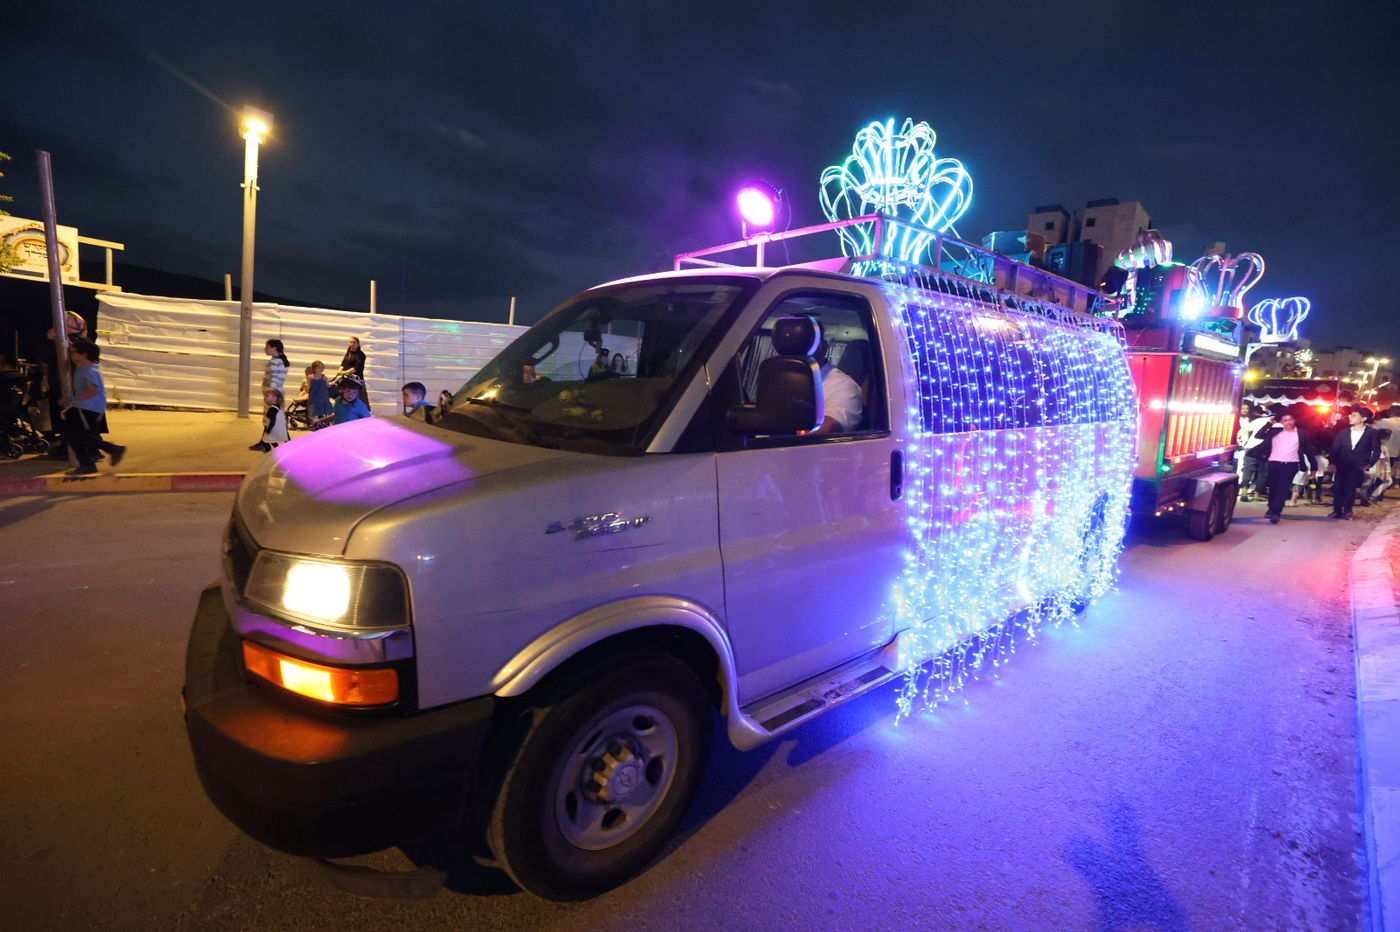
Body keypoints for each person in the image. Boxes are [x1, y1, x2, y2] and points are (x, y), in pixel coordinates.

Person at [57, 338, 125, 475]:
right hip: (83, 407)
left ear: (84, 354)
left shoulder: (89, 371)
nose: (71, 355)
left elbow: (92, 391)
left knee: (77, 437)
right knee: (76, 436)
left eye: (73, 353)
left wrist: (71, 400)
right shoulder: (83, 367)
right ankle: (99, 456)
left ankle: (104, 453)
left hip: (88, 407)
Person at [1251, 411, 1316, 524]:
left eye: (1290, 419)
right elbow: (1258, 435)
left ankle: (1276, 512)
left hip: (1291, 464)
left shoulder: (1301, 434)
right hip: (1274, 463)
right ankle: (1271, 509)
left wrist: (1313, 467)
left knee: (1283, 488)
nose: (1288, 422)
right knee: (1273, 488)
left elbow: (1309, 450)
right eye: (1285, 420)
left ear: (1295, 420)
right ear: (1281, 422)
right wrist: (1269, 423)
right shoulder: (1275, 431)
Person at [1329, 406, 1382, 519]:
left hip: (1358, 465)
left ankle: (1347, 510)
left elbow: (1377, 451)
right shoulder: (1343, 432)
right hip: (1341, 464)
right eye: (1350, 415)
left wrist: (1370, 463)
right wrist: (1332, 463)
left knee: (1351, 488)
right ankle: (1337, 510)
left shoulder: (1372, 433)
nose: (1350, 417)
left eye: (1354, 415)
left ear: (1363, 418)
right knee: (1337, 487)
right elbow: (1335, 449)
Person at [811, 336, 863, 434]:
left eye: (807, 341)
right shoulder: (776, 376)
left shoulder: (844, 386)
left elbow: (828, 427)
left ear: (823, 346)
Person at [249, 339, 290, 450]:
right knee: (274, 418)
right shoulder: (281, 360)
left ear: (274, 348)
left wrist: (270, 395)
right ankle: (265, 443)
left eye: (267, 347)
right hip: (275, 394)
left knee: (273, 419)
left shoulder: (274, 362)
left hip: (273, 395)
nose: (265, 349)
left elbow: (274, 380)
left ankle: (285, 445)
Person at [1235, 402, 1270, 501]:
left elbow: (1244, 430)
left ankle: (1244, 491)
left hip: (1251, 447)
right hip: (1265, 449)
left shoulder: (1257, 421)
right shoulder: (1277, 423)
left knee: (1247, 470)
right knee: (1263, 472)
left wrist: (1238, 440)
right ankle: (1257, 494)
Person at [251, 388, 289, 452]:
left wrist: (269, 429)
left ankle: (278, 449)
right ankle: (280, 449)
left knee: (270, 439)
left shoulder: (272, 409)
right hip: (280, 427)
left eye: (267, 396)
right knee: (273, 439)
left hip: (275, 428)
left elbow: (272, 421)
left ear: (275, 397)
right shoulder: (279, 406)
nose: (265, 398)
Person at [1368, 429, 1394, 503]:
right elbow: (1380, 459)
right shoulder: (1380, 446)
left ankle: (1371, 497)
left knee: (1371, 483)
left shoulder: (1381, 445)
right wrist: (1382, 470)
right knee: (1388, 481)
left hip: (1379, 468)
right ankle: (1373, 496)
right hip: (1379, 468)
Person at [306, 361, 333, 425]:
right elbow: (309, 387)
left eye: (322, 368)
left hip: (323, 397)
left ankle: (328, 422)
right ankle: (315, 423)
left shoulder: (324, 377)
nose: (321, 369)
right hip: (314, 397)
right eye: (319, 368)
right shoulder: (310, 377)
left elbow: (327, 385)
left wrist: (330, 384)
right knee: (314, 411)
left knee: (326, 410)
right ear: (314, 368)